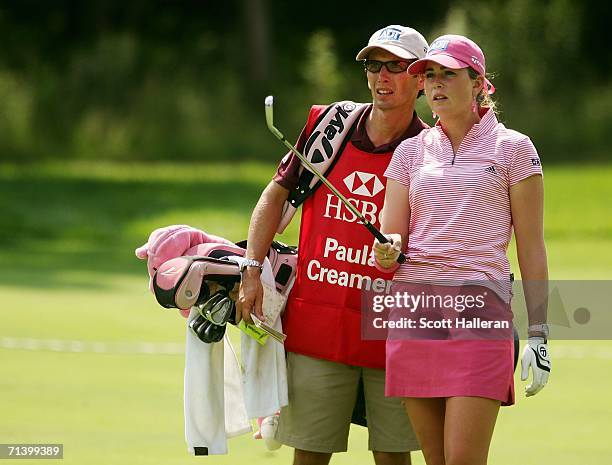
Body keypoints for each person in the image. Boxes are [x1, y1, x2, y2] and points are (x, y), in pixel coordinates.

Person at [237, 25, 429, 465]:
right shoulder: (331, 125)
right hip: (318, 326)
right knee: (310, 454)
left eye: (395, 66)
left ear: (420, 78)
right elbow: (276, 194)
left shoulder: (431, 148)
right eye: (373, 65)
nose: (382, 76)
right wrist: (251, 269)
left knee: (393, 456)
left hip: (393, 331)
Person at [373, 34, 551, 465]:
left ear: (478, 83)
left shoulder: (513, 149)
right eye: (430, 75)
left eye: (448, 74)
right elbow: (392, 232)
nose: (436, 84)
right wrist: (388, 250)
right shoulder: (410, 152)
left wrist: (540, 335)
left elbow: (531, 247)